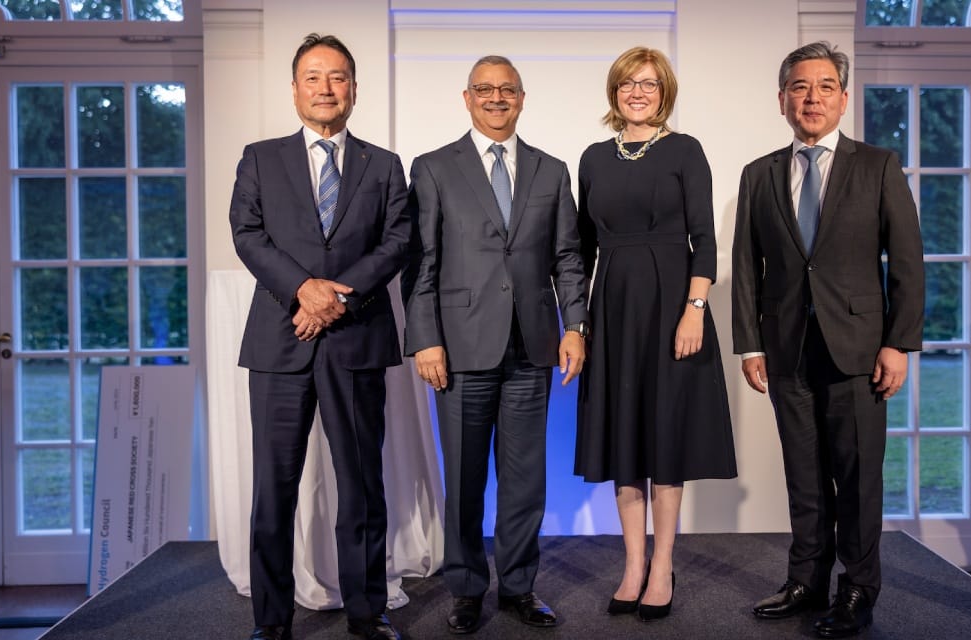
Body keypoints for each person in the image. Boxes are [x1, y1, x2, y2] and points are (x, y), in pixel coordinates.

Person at [731, 41, 925, 638]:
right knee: (804, 475)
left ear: (843, 99)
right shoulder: (759, 173)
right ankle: (806, 581)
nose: (810, 98)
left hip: (860, 351)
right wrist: (749, 343)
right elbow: (745, 265)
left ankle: (858, 590)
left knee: (859, 477)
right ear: (782, 100)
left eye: (822, 87)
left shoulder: (879, 166)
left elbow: (909, 264)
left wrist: (898, 344)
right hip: (787, 349)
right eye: (799, 87)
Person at [401, 55, 589, 635]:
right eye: (485, 89)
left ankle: (519, 587)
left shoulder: (551, 170)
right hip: (457, 351)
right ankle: (465, 588)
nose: (496, 98)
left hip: (532, 348)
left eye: (507, 89)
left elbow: (567, 258)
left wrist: (576, 326)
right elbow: (421, 263)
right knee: (463, 480)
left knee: (526, 478)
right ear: (466, 98)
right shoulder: (432, 169)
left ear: (523, 98)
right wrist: (426, 340)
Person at [229, 33, 409, 640]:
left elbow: (397, 242)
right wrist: (304, 289)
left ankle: (367, 611)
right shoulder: (260, 156)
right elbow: (247, 233)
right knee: (274, 490)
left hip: (355, 339)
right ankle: (271, 621)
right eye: (313, 77)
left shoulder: (383, 165)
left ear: (353, 89)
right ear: (295, 88)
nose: (326, 88)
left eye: (337, 77)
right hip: (281, 341)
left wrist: (335, 298)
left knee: (360, 484)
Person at [574, 46, 737, 622]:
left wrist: (694, 309)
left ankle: (663, 566)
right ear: (614, 93)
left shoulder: (684, 152)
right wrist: (579, 323)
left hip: (673, 307)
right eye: (627, 85)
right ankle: (633, 565)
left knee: (664, 440)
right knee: (625, 441)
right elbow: (581, 249)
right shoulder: (592, 158)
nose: (637, 93)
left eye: (648, 84)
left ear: (665, 91)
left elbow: (705, 239)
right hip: (614, 311)